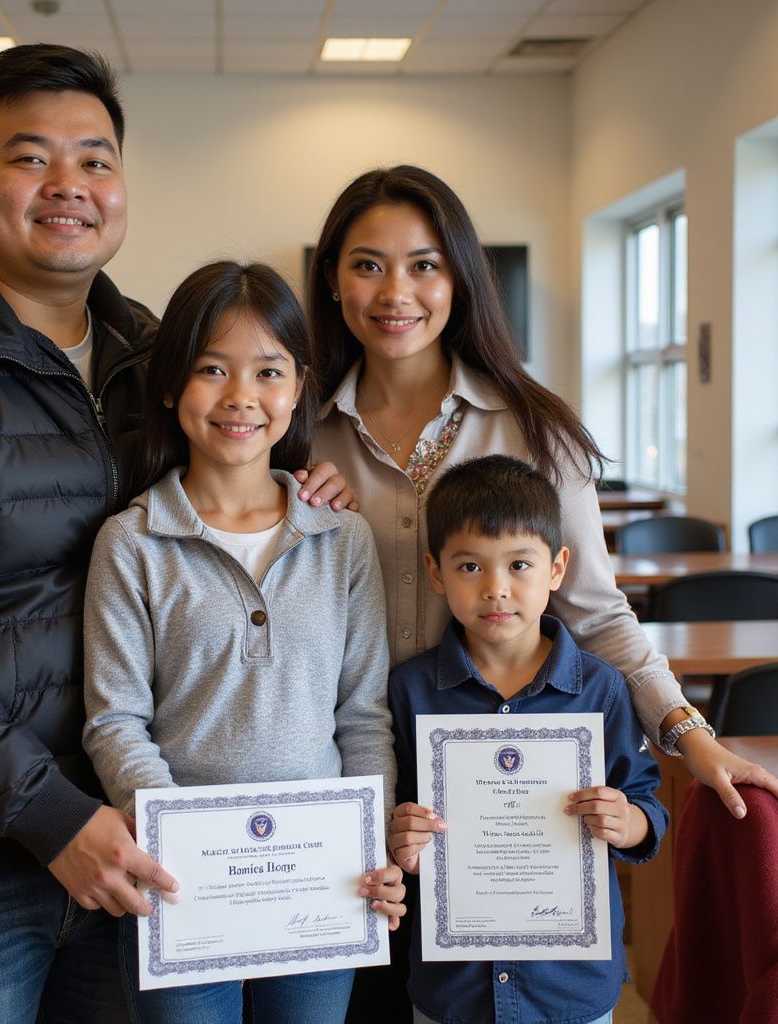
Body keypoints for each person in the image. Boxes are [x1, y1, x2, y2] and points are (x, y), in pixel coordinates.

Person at [0, 45, 347, 1024]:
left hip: (122, 824)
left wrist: (291, 486)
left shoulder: (144, 350)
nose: (68, 187)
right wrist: (54, 818)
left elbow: (199, 516)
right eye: (30, 157)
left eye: (95, 160)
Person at [304, 164, 778, 1022]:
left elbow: (596, 610)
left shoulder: (534, 423)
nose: (395, 291)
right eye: (367, 264)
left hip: (500, 802)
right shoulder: (295, 426)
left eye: (424, 265)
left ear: (460, 276)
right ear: (333, 279)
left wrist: (688, 733)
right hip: (352, 779)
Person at [82, 260, 405, 1024]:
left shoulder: (344, 539)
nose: (240, 398)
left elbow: (363, 717)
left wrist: (374, 842)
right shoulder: (131, 543)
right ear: (171, 387)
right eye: (212, 370)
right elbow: (115, 720)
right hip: (182, 887)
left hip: (323, 883)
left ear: (298, 388)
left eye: (268, 371)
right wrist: (180, 838)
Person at [388, 454, 668, 1024]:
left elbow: (647, 806)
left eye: (520, 564)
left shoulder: (602, 690)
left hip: (569, 984)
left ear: (558, 568)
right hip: (453, 986)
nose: (496, 589)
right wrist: (400, 835)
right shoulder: (410, 690)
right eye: (469, 567)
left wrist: (628, 821)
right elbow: (393, 814)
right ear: (435, 572)